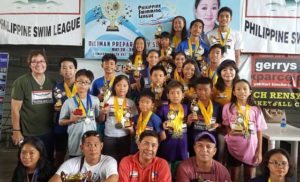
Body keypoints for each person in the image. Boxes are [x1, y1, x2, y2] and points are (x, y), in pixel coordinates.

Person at [11, 50, 56, 159]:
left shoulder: (52, 82)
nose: (38, 64)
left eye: (41, 61)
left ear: (46, 63)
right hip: (28, 133)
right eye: (34, 62)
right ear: (29, 65)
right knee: (28, 162)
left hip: (48, 132)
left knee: (47, 161)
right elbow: (15, 109)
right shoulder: (21, 82)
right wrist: (16, 131)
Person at [223, 79, 267, 182]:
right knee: (233, 177)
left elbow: (259, 130)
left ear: (250, 91)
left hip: (251, 148)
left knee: (250, 177)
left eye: (244, 89)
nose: (242, 91)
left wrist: (259, 151)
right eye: (238, 89)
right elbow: (226, 125)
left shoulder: (256, 109)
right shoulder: (227, 107)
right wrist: (229, 132)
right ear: (233, 92)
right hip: (233, 147)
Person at [59, 69, 100, 157]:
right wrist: (71, 120)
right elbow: (61, 121)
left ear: (90, 85)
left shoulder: (95, 100)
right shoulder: (68, 102)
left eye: (86, 82)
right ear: (75, 82)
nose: (83, 85)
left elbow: (98, 118)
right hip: (75, 138)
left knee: (90, 161)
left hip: (91, 138)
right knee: (75, 162)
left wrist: (103, 113)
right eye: (80, 81)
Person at [49, 130, 118, 182]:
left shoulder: (109, 161)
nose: (93, 148)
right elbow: (55, 179)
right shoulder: (70, 163)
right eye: (88, 145)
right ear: (82, 147)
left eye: (96, 145)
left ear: (101, 146)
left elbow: (113, 178)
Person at [99, 75, 138, 163]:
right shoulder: (108, 101)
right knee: (109, 161)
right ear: (114, 87)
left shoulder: (130, 103)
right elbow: (101, 120)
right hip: (109, 136)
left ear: (128, 87)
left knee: (123, 161)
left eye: (125, 85)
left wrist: (132, 131)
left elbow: (134, 121)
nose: (122, 88)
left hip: (125, 136)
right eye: (118, 85)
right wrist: (102, 113)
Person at [157, 80, 188, 176]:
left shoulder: (186, 107)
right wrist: (162, 125)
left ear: (183, 95)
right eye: (172, 93)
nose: (175, 95)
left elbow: (189, 122)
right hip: (168, 144)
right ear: (168, 95)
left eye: (178, 93)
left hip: (182, 144)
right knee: (167, 171)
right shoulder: (164, 108)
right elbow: (158, 124)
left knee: (181, 171)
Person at [187, 77, 222, 157]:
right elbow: (187, 125)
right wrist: (189, 121)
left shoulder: (217, 106)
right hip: (195, 139)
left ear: (211, 91)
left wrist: (217, 125)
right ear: (195, 90)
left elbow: (221, 123)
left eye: (206, 90)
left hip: (211, 139)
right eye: (199, 89)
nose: (202, 92)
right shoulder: (191, 105)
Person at [53, 57, 77, 168]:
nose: (67, 70)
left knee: (77, 156)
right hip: (61, 126)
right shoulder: (57, 87)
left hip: (77, 125)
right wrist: (55, 107)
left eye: (70, 67)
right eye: (64, 68)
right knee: (59, 155)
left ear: (75, 69)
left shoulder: (82, 85)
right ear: (60, 71)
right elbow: (52, 104)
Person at [91, 53, 117, 136]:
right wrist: (98, 97)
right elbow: (91, 99)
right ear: (102, 65)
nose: (109, 66)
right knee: (99, 140)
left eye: (112, 63)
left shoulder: (120, 81)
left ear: (116, 66)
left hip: (115, 116)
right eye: (106, 63)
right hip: (101, 116)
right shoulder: (97, 82)